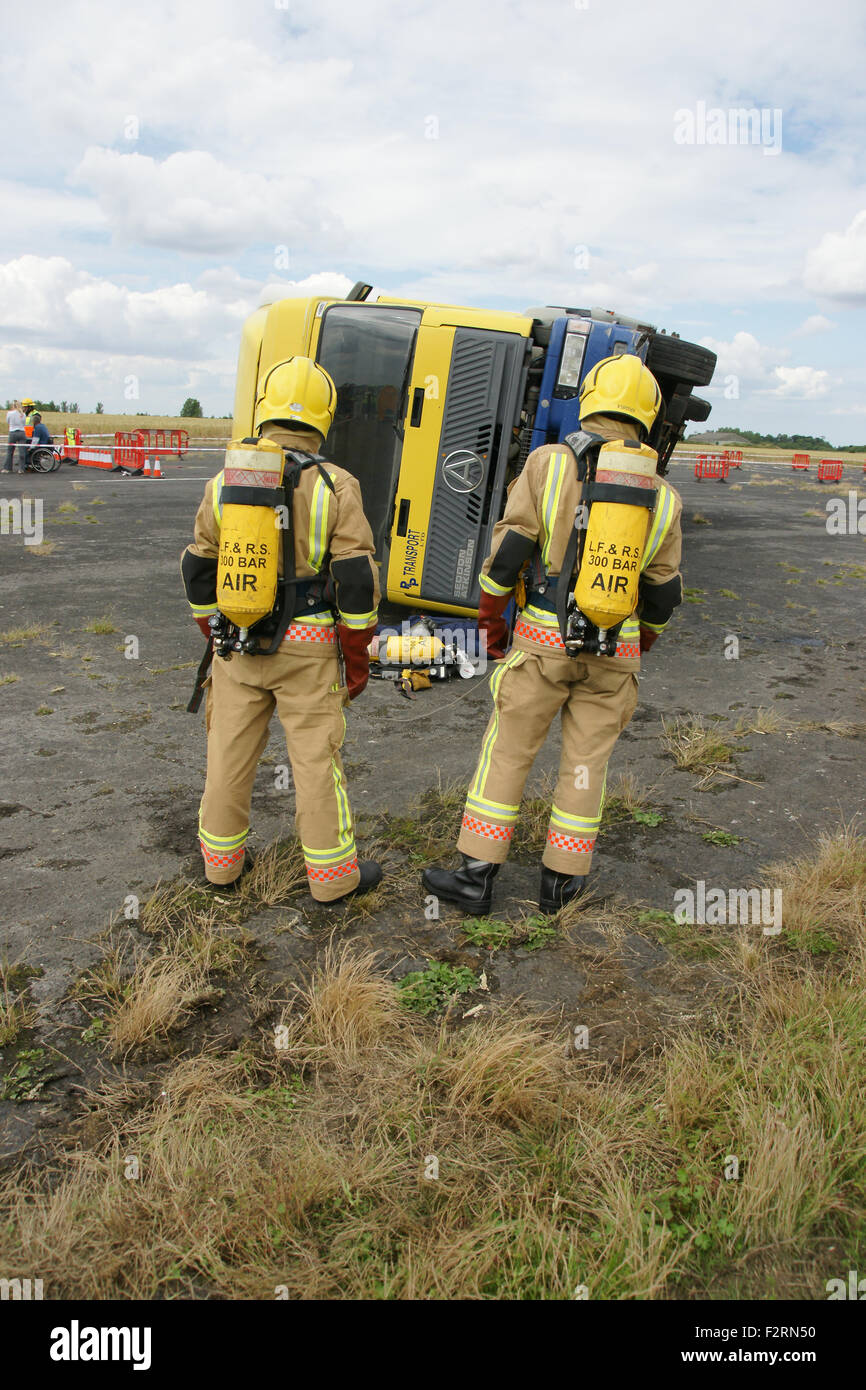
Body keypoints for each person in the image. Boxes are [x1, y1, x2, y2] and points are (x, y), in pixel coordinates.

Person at [422, 354, 683, 915]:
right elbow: (662, 592)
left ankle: (476, 878)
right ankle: (560, 886)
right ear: (649, 416)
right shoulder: (662, 495)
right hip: (616, 652)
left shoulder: (549, 463)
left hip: (542, 644)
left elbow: (510, 550)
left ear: (588, 400)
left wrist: (491, 624)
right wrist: (640, 645)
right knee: (587, 763)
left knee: (510, 752)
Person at [181, 356, 382, 901]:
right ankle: (333, 880)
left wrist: (214, 632)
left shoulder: (225, 481)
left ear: (263, 412)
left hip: (238, 643)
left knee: (227, 755)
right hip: (310, 650)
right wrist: (357, 654)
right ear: (324, 419)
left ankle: (222, 867)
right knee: (316, 761)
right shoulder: (337, 485)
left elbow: (199, 566)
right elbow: (355, 581)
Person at [3, 401, 27, 473]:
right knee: (22, 451)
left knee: (10, 451)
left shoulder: (10, 413)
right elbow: (24, 423)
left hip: (12, 432)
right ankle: (21, 469)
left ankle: (8, 468)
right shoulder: (23, 414)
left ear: (13, 406)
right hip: (21, 432)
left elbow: (8, 421)